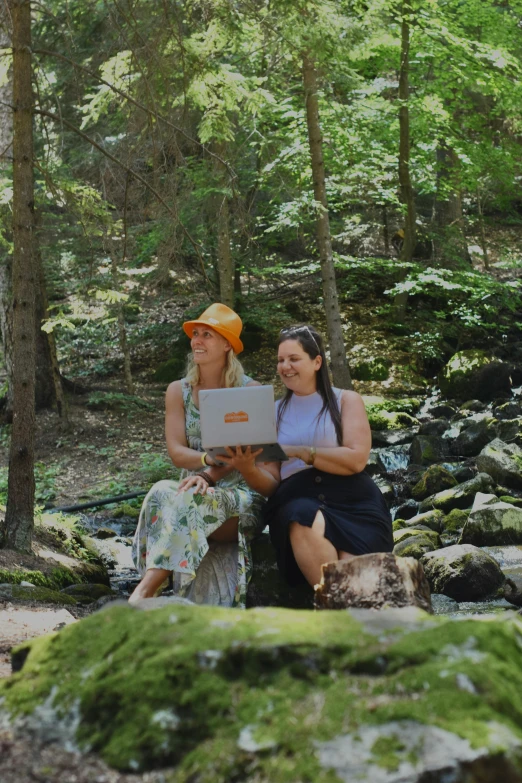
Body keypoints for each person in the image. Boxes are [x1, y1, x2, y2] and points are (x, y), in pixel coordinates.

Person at [130, 303, 279, 607]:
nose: (196, 340)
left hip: (242, 494)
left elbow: (262, 455)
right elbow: (176, 451)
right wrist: (205, 461)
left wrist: (215, 469)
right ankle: (157, 588)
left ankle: (144, 593)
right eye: (195, 334)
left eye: (207, 335)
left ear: (227, 345)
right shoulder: (178, 391)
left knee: (190, 500)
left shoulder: (250, 392)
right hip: (195, 487)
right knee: (160, 491)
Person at [265, 324, 393, 588]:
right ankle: (334, 616)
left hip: (356, 502)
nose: (284, 366)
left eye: (293, 358)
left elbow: (357, 459)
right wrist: (244, 465)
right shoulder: (271, 412)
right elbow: (269, 480)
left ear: (317, 361)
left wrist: (303, 452)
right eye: (280, 360)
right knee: (302, 516)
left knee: (357, 583)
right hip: (298, 500)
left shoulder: (346, 400)